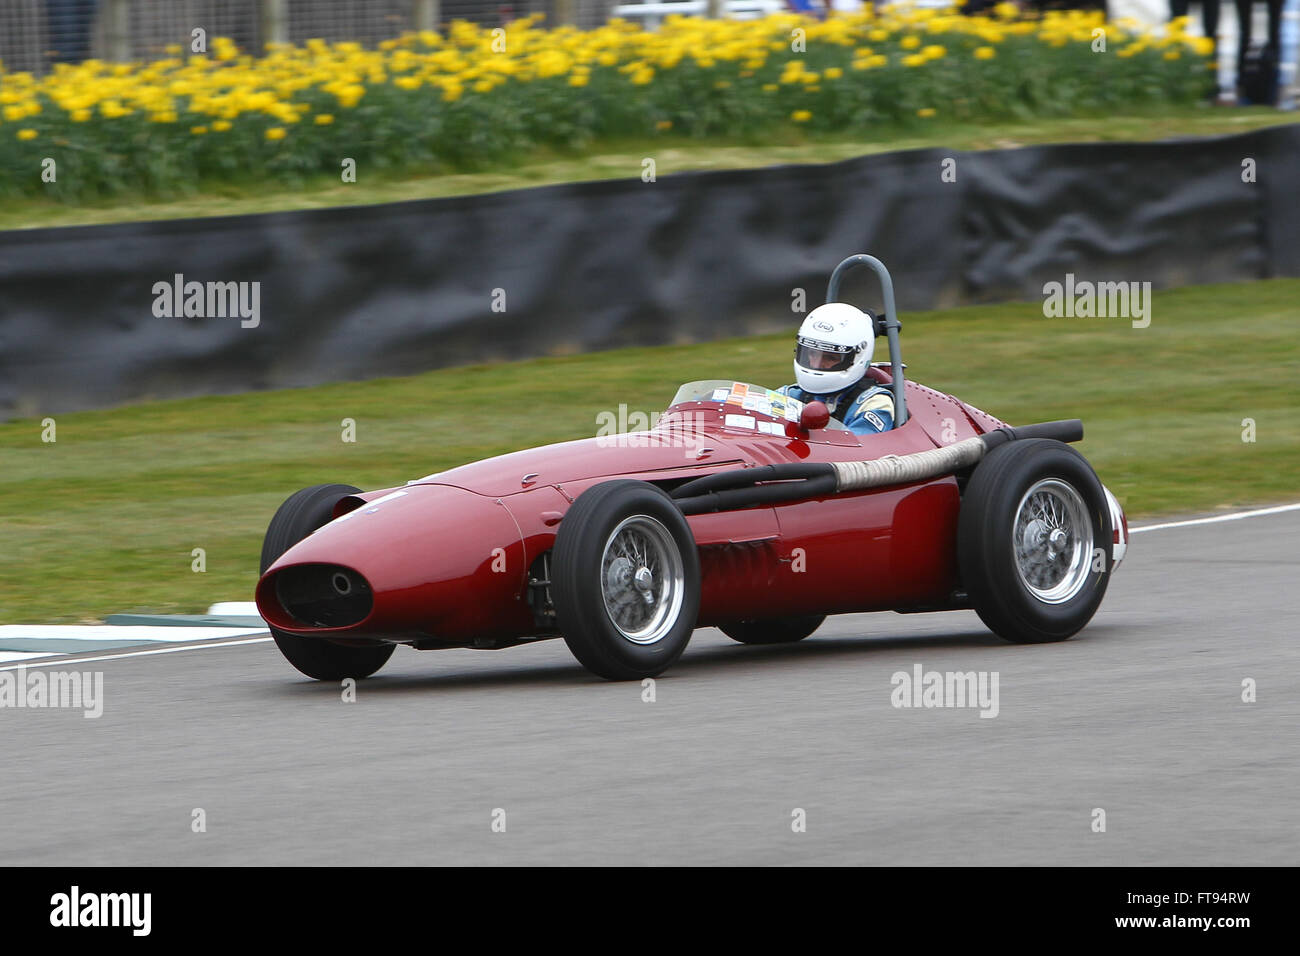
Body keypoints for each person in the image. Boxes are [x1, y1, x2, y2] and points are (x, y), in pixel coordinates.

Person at [777, 303, 895, 435]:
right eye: (812, 354)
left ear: (857, 358)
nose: (817, 364)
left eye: (830, 358)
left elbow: (857, 449)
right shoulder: (789, 395)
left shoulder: (875, 404)